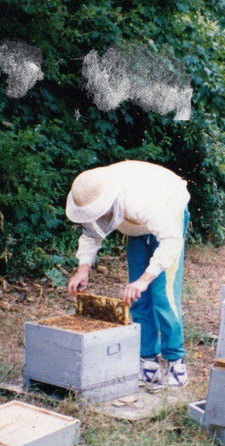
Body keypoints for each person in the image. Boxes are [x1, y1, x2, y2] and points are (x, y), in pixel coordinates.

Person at [65, 160, 190, 387]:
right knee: (136, 298)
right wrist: (83, 268)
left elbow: (171, 241)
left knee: (164, 295)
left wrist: (144, 280)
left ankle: (176, 362)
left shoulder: (138, 200)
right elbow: (91, 232)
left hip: (168, 216)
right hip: (138, 228)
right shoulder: (93, 192)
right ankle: (148, 360)